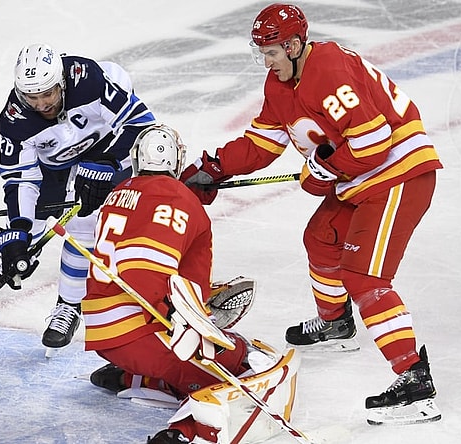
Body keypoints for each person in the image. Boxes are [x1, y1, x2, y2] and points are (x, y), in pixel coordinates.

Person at [179, 3, 442, 425]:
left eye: (272, 52)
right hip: (360, 180)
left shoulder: (329, 69)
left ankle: (415, 382)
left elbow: (373, 142)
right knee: (320, 238)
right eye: (261, 52)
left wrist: (325, 169)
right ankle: (336, 323)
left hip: (398, 174)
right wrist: (217, 167)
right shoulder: (279, 84)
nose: (266, 61)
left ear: (296, 45)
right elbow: (262, 143)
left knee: (364, 276)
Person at [83, 124, 300, 444]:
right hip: (144, 332)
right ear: (177, 162)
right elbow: (145, 271)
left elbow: (151, 221)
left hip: (101, 333)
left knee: (201, 351)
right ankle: (185, 432)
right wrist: (179, 317)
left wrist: (184, 195)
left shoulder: (119, 192)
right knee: (245, 364)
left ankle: (137, 379)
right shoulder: (180, 201)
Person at [0, 43, 156, 352]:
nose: (42, 104)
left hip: (106, 153)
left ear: (62, 82)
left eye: (48, 93)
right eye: (32, 97)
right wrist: (17, 234)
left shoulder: (90, 81)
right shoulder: (15, 120)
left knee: (83, 227)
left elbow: (142, 125)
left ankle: (69, 306)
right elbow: (20, 180)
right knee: (33, 214)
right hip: (57, 163)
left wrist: (105, 165)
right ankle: (28, 253)